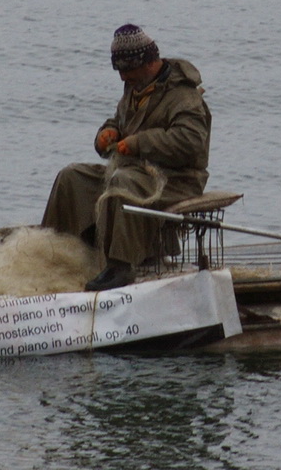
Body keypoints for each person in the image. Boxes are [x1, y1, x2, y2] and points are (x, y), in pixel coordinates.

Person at [41, 24, 211, 291]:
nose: (122, 77)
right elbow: (121, 120)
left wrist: (138, 143)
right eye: (119, 71)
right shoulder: (136, 87)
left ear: (147, 62)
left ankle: (120, 267)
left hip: (176, 180)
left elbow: (190, 142)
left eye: (126, 70)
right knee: (72, 176)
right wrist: (108, 132)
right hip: (133, 170)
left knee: (123, 183)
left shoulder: (184, 96)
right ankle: (58, 252)